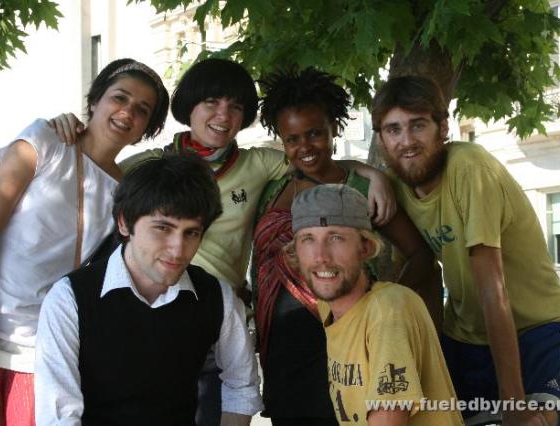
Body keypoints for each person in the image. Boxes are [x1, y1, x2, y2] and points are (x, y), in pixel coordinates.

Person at [50, 57, 397, 425]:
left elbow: (314, 159)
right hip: (145, 316)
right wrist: (64, 127)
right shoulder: (149, 167)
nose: (223, 115)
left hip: (218, 323)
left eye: (235, 106)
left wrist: (372, 173)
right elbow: (90, 171)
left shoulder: (260, 165)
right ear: (189, 108)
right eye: (211, 102)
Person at [0, 58, 169, 425]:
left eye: (142, 110)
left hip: (33, 338)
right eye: (119, 97)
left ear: (145, 129)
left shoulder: (123, 193)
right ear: (95, 101)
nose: (127, 112)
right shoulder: (46, 140)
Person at [372, 75, 560, 425]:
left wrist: (513, 402)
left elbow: (492, 290)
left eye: (417, 125)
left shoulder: (469, 167)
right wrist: (368, 173)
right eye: (393, 130)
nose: (406, 141)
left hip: (531, 326)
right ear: (380, 138)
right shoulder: (395, 185)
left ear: (443, 127)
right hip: (465, 333)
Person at [252, 67, 441, 425]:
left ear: (334, 129)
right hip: (279, 352)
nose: (304, 147)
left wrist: (380, 305)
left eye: (315, 134)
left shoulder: (362, 188)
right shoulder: (272, 190)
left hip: (340, 348)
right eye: (292, 138)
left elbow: (421, 255)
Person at [34, 154, 262, 425]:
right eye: (162, 228)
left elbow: (241, 386)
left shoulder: (216, 297)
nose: (178, 249)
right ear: (124, 223)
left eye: (191, 233)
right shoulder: (70, 299)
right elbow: (59, 416)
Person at [288, 184, 463, 426]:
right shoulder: (330, 307)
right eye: (308, 239)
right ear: (295, 251)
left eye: (336, 238)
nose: (321, 256)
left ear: (366, 247)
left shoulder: (388, 309)